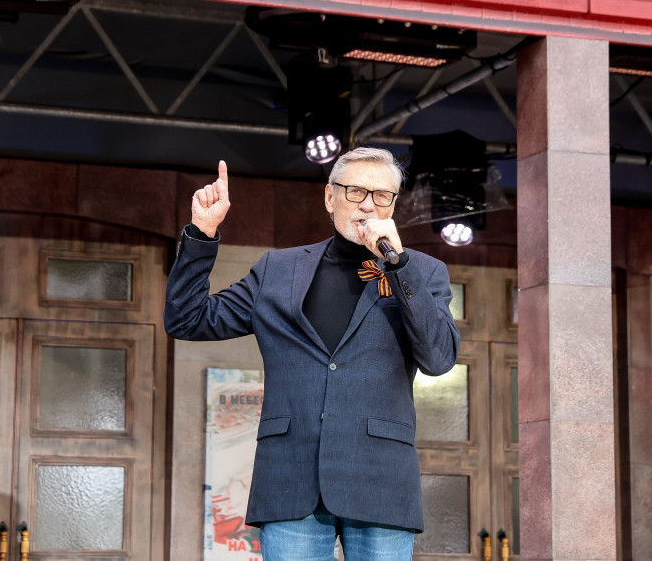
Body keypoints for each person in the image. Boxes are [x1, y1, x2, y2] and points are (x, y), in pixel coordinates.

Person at [164, 147, 460, 561]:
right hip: (291, 477)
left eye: (382, 195)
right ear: (329, 197)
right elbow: (188, 320)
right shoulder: (278, 270)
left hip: (380, 477)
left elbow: (440, 358)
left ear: (393, 205)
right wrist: (202, 234)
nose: (368, 205)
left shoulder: (422, 272)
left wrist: (399, 266)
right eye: (356, 192)